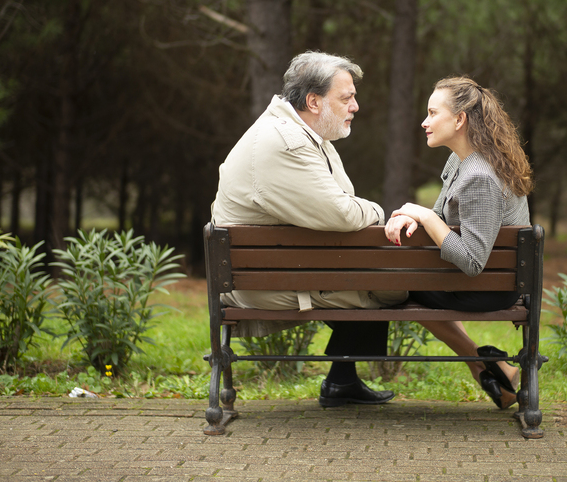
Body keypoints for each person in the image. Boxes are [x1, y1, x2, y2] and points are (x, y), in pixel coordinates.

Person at [211, 51, 407, 408]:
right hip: (263, 285)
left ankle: (342, 380)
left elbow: (339, 209)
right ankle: (342, 378)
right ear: (314, 101)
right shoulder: (289, 143)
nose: (355, 106)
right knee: (392, 286)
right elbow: (344, 212)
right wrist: (381, 212)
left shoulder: (302, 134)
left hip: (276, 272)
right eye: (346, 98)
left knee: (379, 272)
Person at [384, 76, 534, 410]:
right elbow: (440, 212)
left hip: (487, 286)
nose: (424, 122)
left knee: (397, 285)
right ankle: (492, 368)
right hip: (491, 279)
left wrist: (425, 216)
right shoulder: (463, 160)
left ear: (459, 119)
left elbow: (471, 260)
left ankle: (480, 364)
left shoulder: (478, 176)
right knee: (403, 280)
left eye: (432, 113)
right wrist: (416, 217)